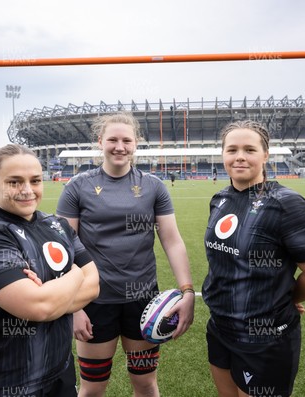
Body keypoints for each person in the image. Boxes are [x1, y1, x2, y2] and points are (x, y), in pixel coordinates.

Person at [56, 112, 194, 397]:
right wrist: (74, 306)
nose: (120, 146)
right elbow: (63, 250)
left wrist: (187, 291)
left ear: (136, 144)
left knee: (145, 384)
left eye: (126, 140)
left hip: (143, 303)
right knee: (93, 387)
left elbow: (172, 240)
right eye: (113, 140)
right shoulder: (77, 187)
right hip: (93, 301)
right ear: (100, 142)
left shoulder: (153, 186)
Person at [202, 120, 305, 397]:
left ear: (265, 155)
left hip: (265, 337)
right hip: (220, 328)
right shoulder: (220, 199)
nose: (239, 156)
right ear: (223, 155)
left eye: (249, 149)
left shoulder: (287, 204)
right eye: (232, 149)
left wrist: (287, 298)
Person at [0, 144, 100, 397]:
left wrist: (51, 293)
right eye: (14, 182)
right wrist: (76, 274)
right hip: (5, 382)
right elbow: (39, 307)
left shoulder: (57, 225)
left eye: (35, 180)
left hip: (60, 374)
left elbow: (94, 285)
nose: (27, 190)